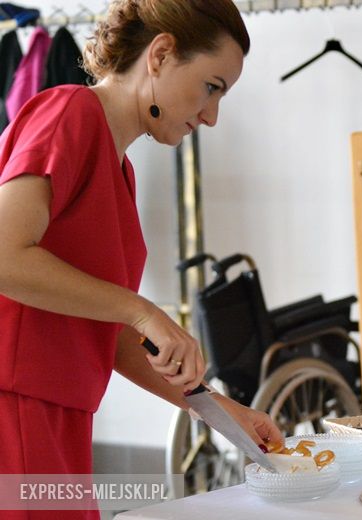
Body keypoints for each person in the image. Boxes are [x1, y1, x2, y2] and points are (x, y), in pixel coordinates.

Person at [0, 0, 283, 514]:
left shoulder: (119, 168)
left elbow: (105, 333)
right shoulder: (69, 114)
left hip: (56, 417)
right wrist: (143, 311)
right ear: (160, 54)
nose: (212, 116)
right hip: (15, 411)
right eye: (211, 87)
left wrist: (221, 411)